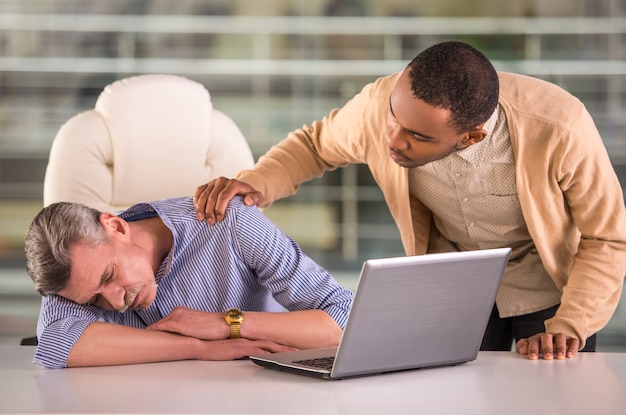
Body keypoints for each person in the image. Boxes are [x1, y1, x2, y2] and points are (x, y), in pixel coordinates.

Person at [194, 41, 626, 361]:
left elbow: (606, 236)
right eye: (394, 120)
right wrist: (253, 183)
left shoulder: (560, 127)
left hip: (551, 288)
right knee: (453, 396)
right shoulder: (383, 110)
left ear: (471, 136)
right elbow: (315, 145)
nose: (392, 142)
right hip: (458, 283)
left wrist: (570, 325)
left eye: (418, 137)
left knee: (551, 399)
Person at [24, 196, 353, 369]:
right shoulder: (73, 269)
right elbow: (56, 343)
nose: (114, 301)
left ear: (116, 227)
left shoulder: (232, 222)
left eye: (110, 276)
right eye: (94, 300)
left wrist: (227, 325)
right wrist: (199, 347)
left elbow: (346, 320)